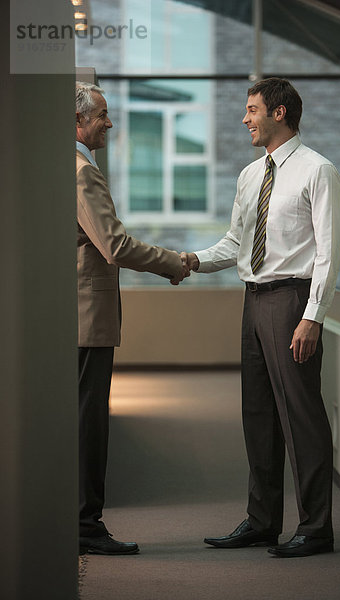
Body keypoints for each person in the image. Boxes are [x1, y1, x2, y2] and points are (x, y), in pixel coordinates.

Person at [182, 77, 340, 558]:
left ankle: (316, 529)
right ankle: (261, 521)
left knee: (303, 418)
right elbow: (235, 242)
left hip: (292, 302)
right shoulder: (251, 175)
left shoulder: (319, 170)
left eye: (252, 110)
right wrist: (190, 261)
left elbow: (329, 253)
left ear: (279, 113)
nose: (245, 118)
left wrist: (313, 317)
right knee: (257, 415)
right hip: (253, 300)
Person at [76, 81, 188, 555]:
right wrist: (172, 261)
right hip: (84, 317)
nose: (109, 123)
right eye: (102, 114)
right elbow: (115, 246)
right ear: (77, 121)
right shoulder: (82, 172)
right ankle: (85, 526)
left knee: (79, 418)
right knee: (87, 421)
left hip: (72, 315)